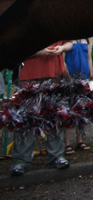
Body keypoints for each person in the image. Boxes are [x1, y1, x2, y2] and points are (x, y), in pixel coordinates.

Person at [9, 42, 73, 176]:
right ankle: (21, 161)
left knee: (54, 118)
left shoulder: (57, 26)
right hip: (28, 76)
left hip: (54, 75)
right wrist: (38, 51)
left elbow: (69, 43)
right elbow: (15, 49)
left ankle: (57, 156)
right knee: (25, 121)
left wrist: (61, 48)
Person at [63, 38, 92, 154]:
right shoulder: (67, 40)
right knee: (69, 110)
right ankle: (66, 143)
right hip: (71, 78)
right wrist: (67, 76)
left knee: (83, 109)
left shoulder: (85, 40)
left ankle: (79, 140)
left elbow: (89, 58)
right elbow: (63, 59)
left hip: (85, 78)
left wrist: (90, 73)